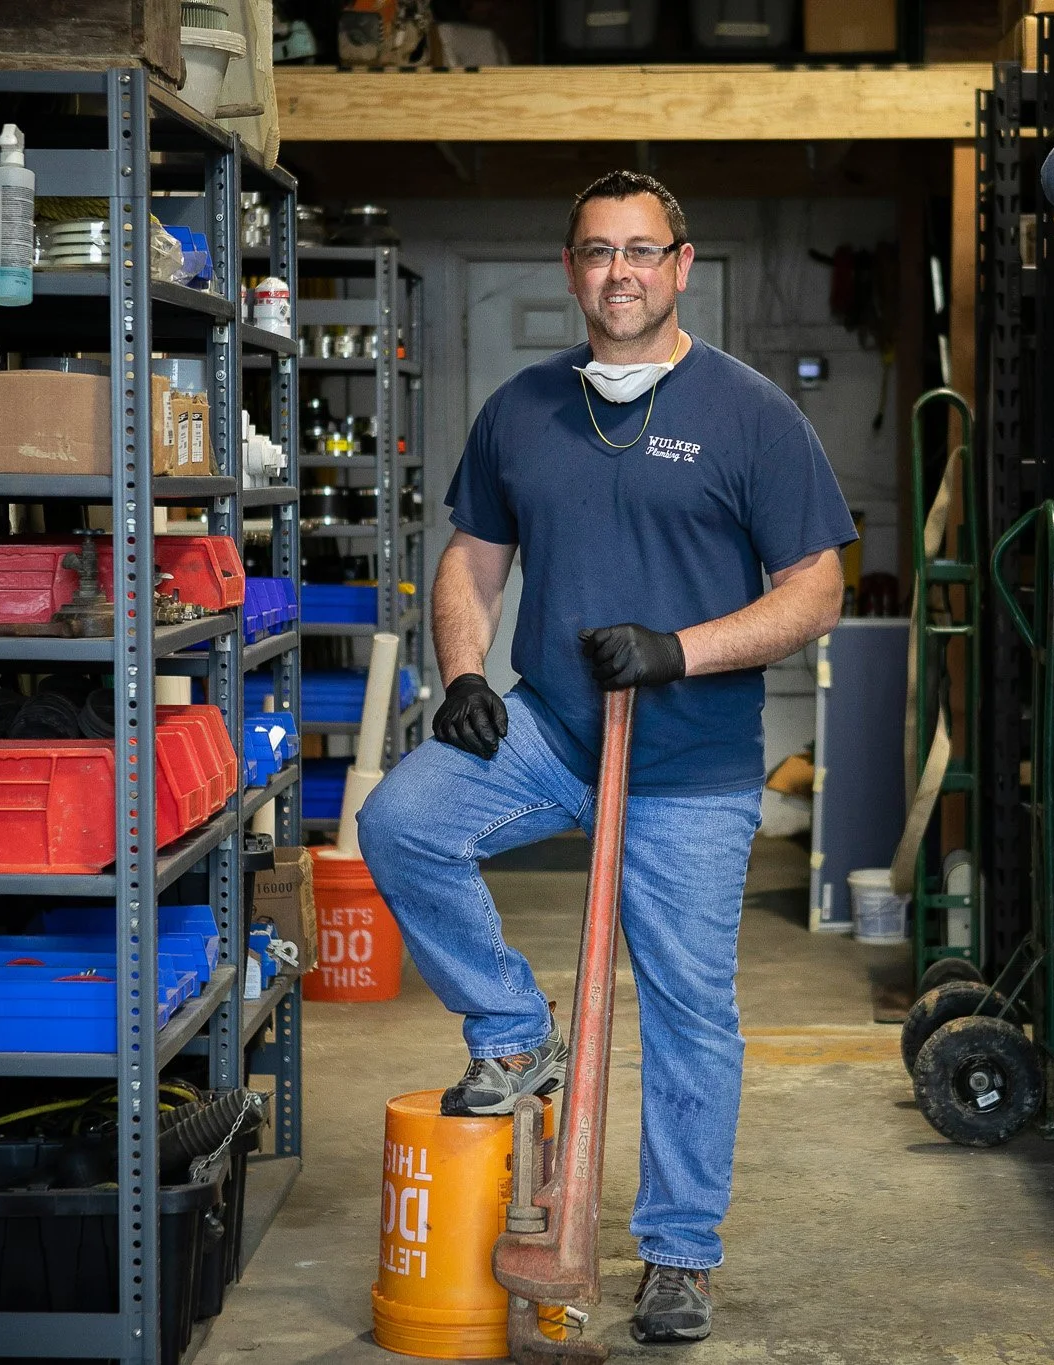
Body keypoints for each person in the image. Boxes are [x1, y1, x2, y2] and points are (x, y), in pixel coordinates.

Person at [357, 170, 856, 1345]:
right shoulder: (521, 408)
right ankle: (514, 1034)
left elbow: (816, 593)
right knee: (401, 823)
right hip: (554, 728)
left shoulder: (750, 414)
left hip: (689, 764)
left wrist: (677, 650)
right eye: (595, 251)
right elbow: (472, 560)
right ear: (569, 268)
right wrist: (465, 674)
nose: (618, 272)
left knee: (689, 1013)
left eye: (641, 250)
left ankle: (676, 1255)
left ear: (680, 266)